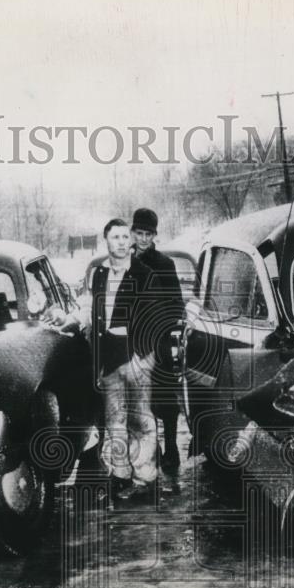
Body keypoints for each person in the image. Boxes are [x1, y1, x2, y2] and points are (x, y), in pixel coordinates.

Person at [53, 218, 157, 501]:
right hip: (108, 356)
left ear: (131, 241)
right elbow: (88, 308)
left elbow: (157, 320)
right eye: (116, 237)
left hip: (138, 357)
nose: (122, 242)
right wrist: (69, 319)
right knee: (115, 421)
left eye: (126, 237)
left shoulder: (145, 274)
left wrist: (141, 357)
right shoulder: (99, 274)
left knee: (142, 421)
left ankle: (145, 478)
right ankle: (121, 475)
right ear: (107, 241)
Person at [130, 207, 185, 490]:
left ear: (155, 235)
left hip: (159, 341)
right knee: (140, 402)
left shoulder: (164, 264)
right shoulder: (123, 262)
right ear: (132, 233)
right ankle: (151, 452)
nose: (142, 238)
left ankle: (172, 446)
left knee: (165, 399)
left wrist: (162, 326)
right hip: (131, 343)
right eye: (138, 232)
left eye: (147, 233)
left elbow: (177, 304)